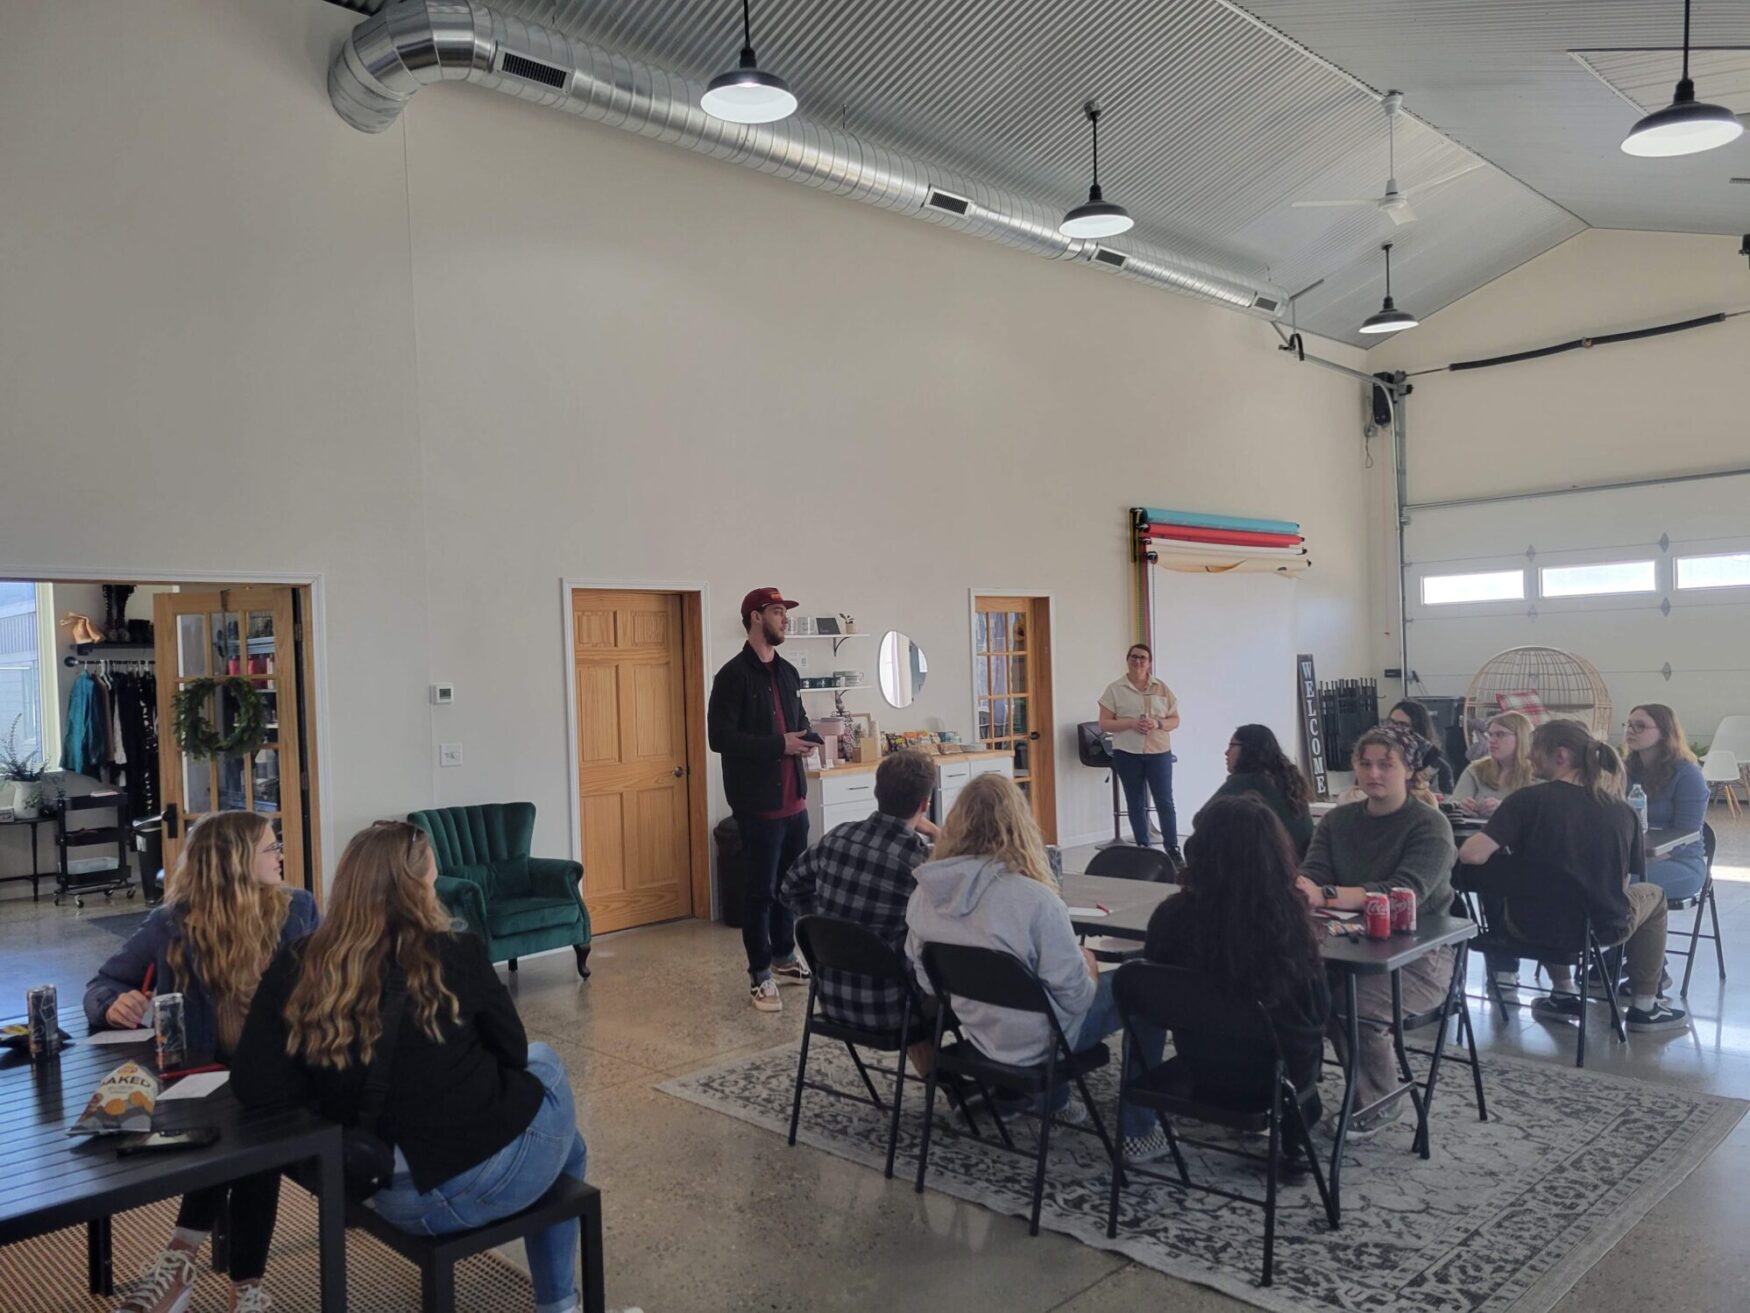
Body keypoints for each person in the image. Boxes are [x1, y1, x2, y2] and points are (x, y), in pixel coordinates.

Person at [233, 821, 590, 1313]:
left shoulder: (297, 962)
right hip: (462, 1184)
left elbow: (254, 1086)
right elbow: (511, 1054)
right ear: (418, 887)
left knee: (571, 1140)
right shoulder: (455, 952)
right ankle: (560, 1306)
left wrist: (331, 1080)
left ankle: (561, 1304)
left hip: (375, 1187)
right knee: (546, 1066)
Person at [85, 812, 318, 1313]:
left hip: (281, 1074)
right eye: (270, 848)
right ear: (235, 861)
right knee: (248, 1131)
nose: (280, 855)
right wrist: (112, 1004)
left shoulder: (298, 909)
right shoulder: (171, 923)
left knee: (254, 1124)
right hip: (205, 1079)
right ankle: (244, 1288)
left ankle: (179, 1262)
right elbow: (103, 982)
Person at [904, 773, 1168, 1160]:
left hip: (982, 1033)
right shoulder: (1035, 900)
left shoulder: (925, 895)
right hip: (1044, 1040)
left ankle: (1054, 1102)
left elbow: (928, 982)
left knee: (1038, 989)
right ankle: (1138, 1128)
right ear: (1020, 824)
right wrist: (1090, 970)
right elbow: (1075, 999)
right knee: (1145, 984)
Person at [1458, 720, 1688, 1033]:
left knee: (1553, 896)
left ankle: (1563, 992)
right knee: (1654, 895)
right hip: (1599, 929)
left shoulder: (1525, 801)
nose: (1529, 757)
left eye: (1535, 750)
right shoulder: (1623, 812)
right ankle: (1645, 1007)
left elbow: (1471, 855)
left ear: (1561, 755)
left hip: (1526, 925)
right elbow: (1620, 886)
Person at [1296, 723, 1456, 1136]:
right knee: (1284, 989)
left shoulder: (1430, 826)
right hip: (1345, 945)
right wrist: (1303, 886)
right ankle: (1292, 1094)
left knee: (1351, 1004)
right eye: (1365, 764)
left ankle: (1379, 1101)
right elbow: (1313, 870)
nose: (1373, 773)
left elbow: (1404, 891)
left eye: (1386, 765)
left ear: (1409, 770)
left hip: (1420, 956)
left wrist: (1325, 894)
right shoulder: (1338, 820)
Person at [1144, 795, 1329, 1118]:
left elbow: (1156, 995)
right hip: (1277, 1078)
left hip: (1200, 1068)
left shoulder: (1169, 917)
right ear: (1275, 855)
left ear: (1199, 850)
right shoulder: (1287, 923)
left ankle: (1139, 1124)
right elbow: (1316, 1013)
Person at [708, 586, 817, 1013]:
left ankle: (784, 956)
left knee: (790, 888)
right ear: (755, 617)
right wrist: (779, 745)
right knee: (761, 893)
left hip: (796, 803)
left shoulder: (788, 672)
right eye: (776, 611)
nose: (784, 618)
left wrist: (806, 739)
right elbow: (721, 738)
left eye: (784, 612)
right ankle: (759, 974)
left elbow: (798, 720)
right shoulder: (732, 676)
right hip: (758, 807)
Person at [782, 750, 940, 1036]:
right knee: (962, 989)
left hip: (831, 999)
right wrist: (941, 836)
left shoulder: (837, 837)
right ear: (924, 804)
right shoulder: (917, 864)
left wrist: (823, 922)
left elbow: (790, 886)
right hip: (894, 1006)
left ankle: (927, 1064)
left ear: (877, 792)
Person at [1097, 642, 1182, 863]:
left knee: (1164, 801)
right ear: (1127, 660)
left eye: (1143, 658)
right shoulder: (1115, 689)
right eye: (1134, 657)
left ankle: (1172, 849)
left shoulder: (1162, 688)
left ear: (1149, 663)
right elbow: (1104, 723)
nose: (1138, 661)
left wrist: (1158, 723)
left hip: (1158, 752)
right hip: (1127, 753)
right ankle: (1143, 849)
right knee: (1135, 802)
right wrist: (1130, 723)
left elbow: (1175, 720)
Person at [1624, 704, 1708, 901]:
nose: (1630, 731)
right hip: (1634, 858)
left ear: (1664, 733)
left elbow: (1687, 835)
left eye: (1640, 726)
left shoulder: (1687, 775)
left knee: (1615, 884)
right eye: (1628, 725)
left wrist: (1636, 863)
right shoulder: (1625, 770)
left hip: (1681, 862)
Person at [1207, 723, 1316, 857]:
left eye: (1231, 745)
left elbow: (1201, 819)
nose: (1226, 752)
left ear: (1247, 749)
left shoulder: (1244, 782)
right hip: (1299, 862)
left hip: (1266, 864)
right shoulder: (1289, 781)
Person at [1449, 711, 1535, 817]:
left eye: (1500, 734)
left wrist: (1506, 808)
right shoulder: (1476, 770)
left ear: (1522, 737)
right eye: (1490, 735)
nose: (1491, 740)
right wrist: (1460, 806)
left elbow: (1544, 813)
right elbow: (1452, 805)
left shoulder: (1539, 772)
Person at [1387, 699, 1455, 795]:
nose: (1394, 729)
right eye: (1392, 722)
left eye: (1402, 725)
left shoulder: (1439, 767)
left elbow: (1446, 800)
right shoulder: (1377, 760)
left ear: (1417, 730)